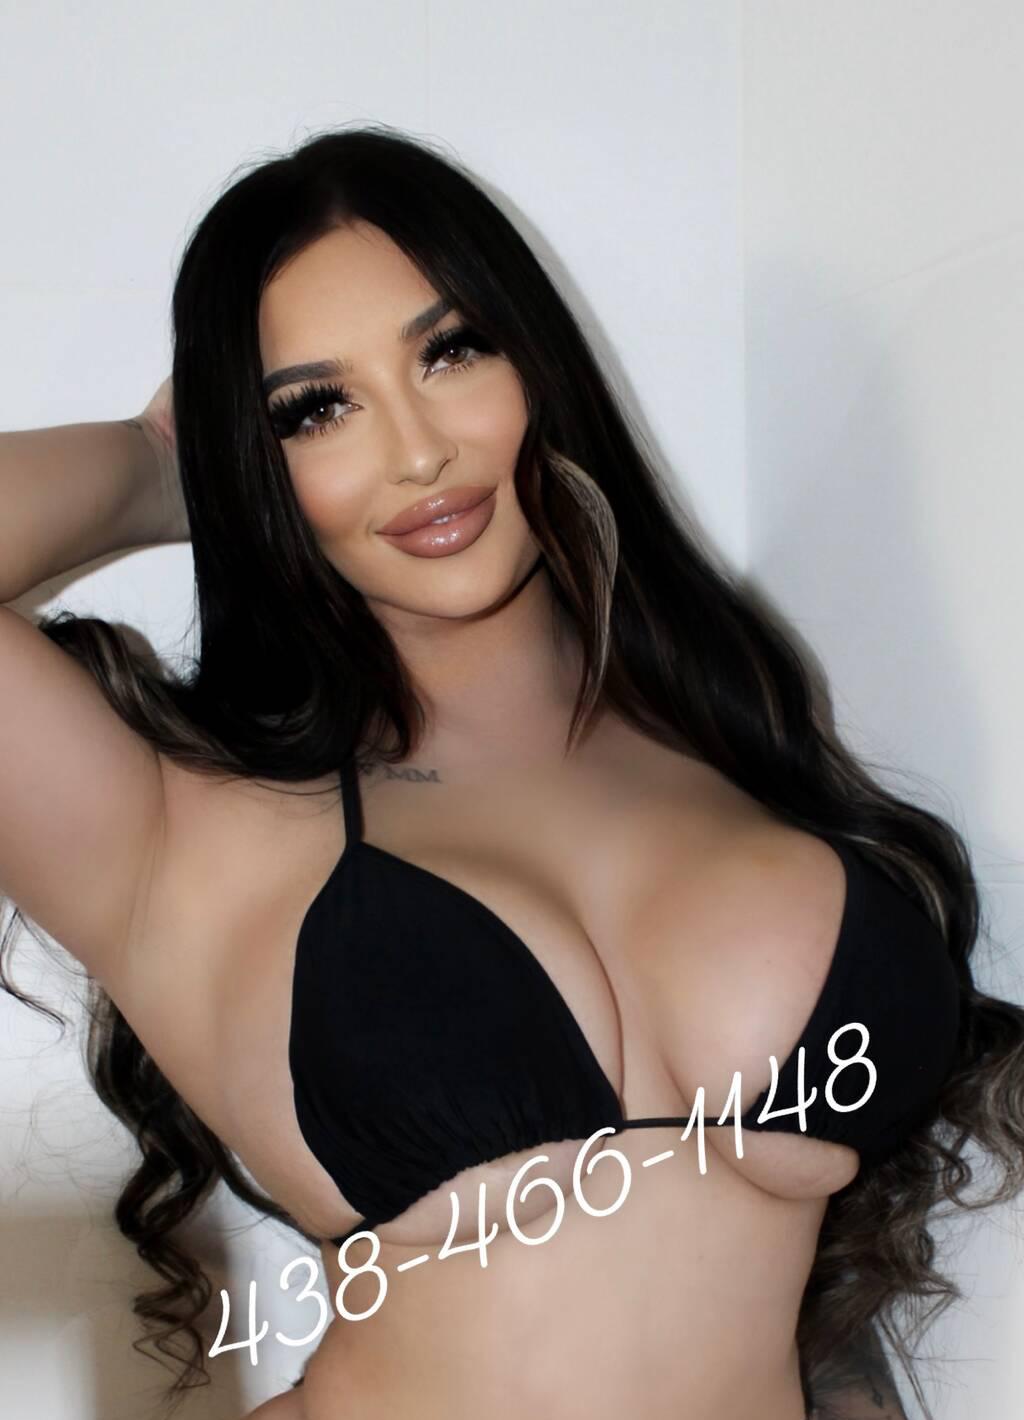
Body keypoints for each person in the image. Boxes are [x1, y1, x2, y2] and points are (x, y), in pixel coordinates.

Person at [2, 122, 1022, 1420]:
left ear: (534, 362)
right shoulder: (182, 831)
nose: (416, 450)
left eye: (451, 351)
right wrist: (168, 465)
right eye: (315, 409)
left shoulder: (743, 745)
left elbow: (790, 1314)